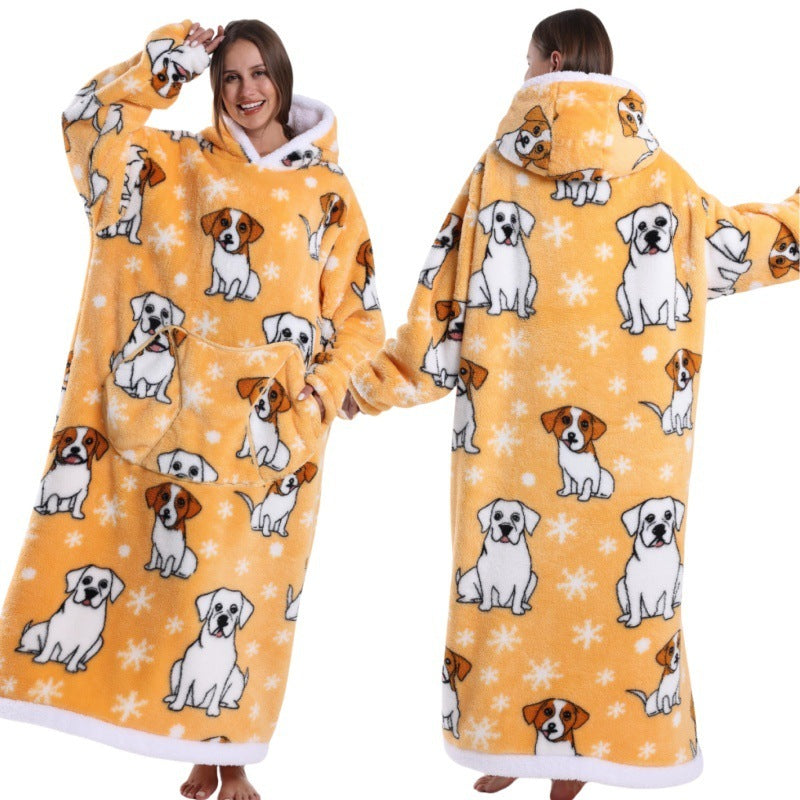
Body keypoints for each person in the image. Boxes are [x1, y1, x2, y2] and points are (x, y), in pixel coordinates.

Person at [344, 8, 798, 799]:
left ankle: (537, 749)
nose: (521, 76)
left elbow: (442, 298)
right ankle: (552, 751)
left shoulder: (497, 171)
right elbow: (732, 248)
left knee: (515, 598)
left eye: (526, 62)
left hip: (510, 432)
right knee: (583, 594)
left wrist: (372, 385)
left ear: (552, 61)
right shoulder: (658, 174)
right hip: (637, 443)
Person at [0, 19, 384, 800]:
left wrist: (321, 391)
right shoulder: (175, 163)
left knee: (242, 596)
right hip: (170, 418)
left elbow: (359, 313)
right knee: (173, 590)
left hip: (269, 428)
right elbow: (86, 122)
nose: (247, 91)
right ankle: (203, 757)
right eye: (230, 76)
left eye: (259, 73)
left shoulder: (327, 190)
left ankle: (231, 762)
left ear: (281, 76)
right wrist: (164, 61)